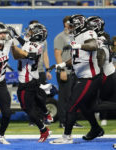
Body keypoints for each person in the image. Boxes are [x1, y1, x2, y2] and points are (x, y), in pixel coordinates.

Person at [50, 14, 104, 144]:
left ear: (78, 24)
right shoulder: (76, 36)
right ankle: (96, 128)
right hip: (82, 76)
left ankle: (67, 136)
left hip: (90, 77)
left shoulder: (88, 33)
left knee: (72, 105)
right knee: (85, 107)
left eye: (71, 24)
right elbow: (77, 58)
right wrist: (62, 64)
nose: (69, 27)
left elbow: (93, 46)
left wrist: (77, 46)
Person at [12, 23, 51, 142]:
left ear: (37, 34)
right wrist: (16, 36)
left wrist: (12, 44)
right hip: (32, 79)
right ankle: (46, 112)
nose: (28, 32)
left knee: (27, 108)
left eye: (31, 31)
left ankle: (44, 130)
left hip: (26, 81)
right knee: (36, 97)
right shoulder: (36, 45)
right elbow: (25, 45)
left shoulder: (33, 47)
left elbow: (17, 55)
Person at [86, 16, 116, 149]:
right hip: (104, 75)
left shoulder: (101, 38)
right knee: (88, 105)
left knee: (94, 106)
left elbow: (101, 58)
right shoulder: (101, 36)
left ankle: (95, 128)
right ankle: (95, 128)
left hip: (106, 76)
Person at [54, 15, 83, 128]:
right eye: (69, 22)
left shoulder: (75, 37)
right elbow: (57, 54)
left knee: (73, 97)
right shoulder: (60, 37)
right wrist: (62, 70)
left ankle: (72, 121)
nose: (71, 24)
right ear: (65, 24)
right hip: (64, 70)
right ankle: (63, 121)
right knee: (64, 97)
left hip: (75, 71)